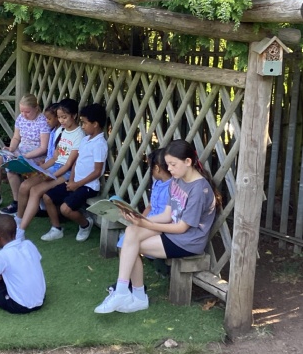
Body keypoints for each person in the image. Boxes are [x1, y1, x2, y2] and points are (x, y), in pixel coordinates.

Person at [94, 139, 222, 314]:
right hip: (173, 232)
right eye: (168, 164)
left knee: (131, 245)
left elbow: (182, 228)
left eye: (173, 164)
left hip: (187, 241)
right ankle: (125, 292)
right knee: (131, 231)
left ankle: (133, 295)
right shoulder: (177, 180)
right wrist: (139, 219)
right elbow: (167, 215)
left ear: (188, 162)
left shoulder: (199, 190)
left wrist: (146, 223)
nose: (169, 169)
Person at [14, 98, 84, 241]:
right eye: (59, 117)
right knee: (25, 185)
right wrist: (39, 169)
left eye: (64, 117)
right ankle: (18, 220)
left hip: (66, 173)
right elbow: (54, 158)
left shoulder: (79, 135)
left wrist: (50, 175)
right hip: (54, 168)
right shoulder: (61, 131)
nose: (61, 120)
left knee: (36, 190)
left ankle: (21, 232)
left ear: (74, 115)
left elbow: (68, 164)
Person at [107, 147, 172, 291]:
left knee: (128, 243)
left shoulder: (173, 187)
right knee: (124, 242)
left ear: (157, 168)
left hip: (160, 226)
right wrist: (139, 217)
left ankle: (131, 285)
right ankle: (129, 282)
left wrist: (143, 223)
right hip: (148, 223)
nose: (150, 171)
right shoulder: (157, 183)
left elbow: (168, 218)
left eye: (151, 167)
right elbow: (150, 206)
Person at [41, 103, 108, 241]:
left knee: (65, 209)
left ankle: (85, 224)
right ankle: (56, 228)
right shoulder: (85, 139)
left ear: (95, 124)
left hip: (88, 186)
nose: (82, 126)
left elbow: (97, 172)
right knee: (47, 197)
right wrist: (71, 180)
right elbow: (76, 163)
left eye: (85, 123)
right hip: (75, 182)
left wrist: (77, 184)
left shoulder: (100, 144)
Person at [0, 94, 51, 215]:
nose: (24, 114)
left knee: (11, 169)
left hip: (36, 156)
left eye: (27, 112)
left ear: (36, 108)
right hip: (20, 153)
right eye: (22, 111)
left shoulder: (42, 122)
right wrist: (11, 148)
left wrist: (26, 156)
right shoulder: (20, 118)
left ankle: (17, 202)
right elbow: (16, 137)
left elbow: (43, 148)